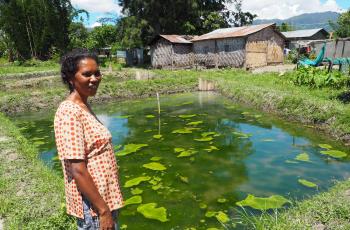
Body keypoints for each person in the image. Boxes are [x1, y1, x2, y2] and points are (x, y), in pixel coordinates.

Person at [54, 49, 123, 230]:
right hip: (93, 206)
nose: (94, 78)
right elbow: (78, 169)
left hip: (104, 198)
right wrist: (103, 212)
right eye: (87, 74)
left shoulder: (83, 105)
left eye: (97, 73)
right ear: (71, 78)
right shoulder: (69, 112)